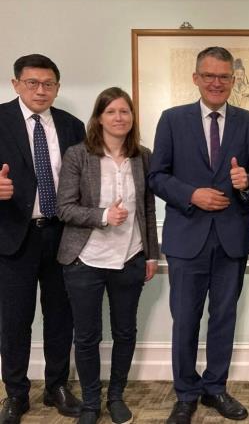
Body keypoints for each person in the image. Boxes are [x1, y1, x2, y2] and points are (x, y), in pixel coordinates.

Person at [149, 46, 249, 424]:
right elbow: (156, 175)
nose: (217, 82)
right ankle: (185, 392)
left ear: (233, 80)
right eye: (210, 75)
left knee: (223, 317)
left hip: (231, 237)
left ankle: (216, 387)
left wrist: (248, 181)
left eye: (224, 76)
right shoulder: (172, 120)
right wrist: (191, 195)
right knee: (185, 318)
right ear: (196, 78)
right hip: (187, 237)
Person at [55, 87, 159, 424]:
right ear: (99, 117)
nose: (119, 118)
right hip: (85, 259)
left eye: (125, 112)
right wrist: (102, 216)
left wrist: (151, 254)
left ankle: (115, 397)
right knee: (87, 336)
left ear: (132, 118)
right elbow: (64, 208)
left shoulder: (143, 156)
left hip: (130, 258)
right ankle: (89, 403)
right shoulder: (78, 155)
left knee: (125, 332)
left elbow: (147, 208)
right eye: (112, 111)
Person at [0, 54, 85, 423]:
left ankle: (56, 386)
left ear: (57, 87)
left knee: (60, 316)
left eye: (48, 84)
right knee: (14, 320)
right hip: (13, 235)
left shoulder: (72, 125)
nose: (40, 90)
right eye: (32, 83)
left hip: (61, 234)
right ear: (16, 83)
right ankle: (16, 393)